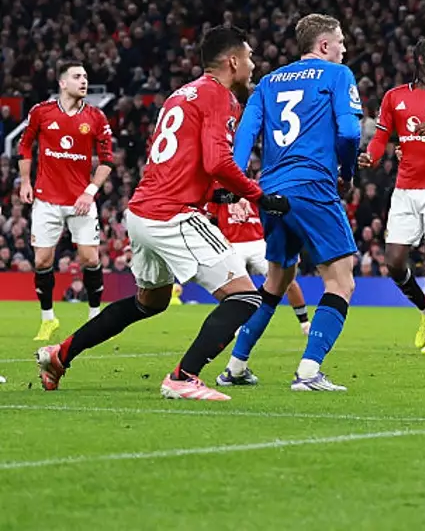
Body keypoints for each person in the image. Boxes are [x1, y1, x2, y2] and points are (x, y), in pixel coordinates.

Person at [35, 27, 289, 401]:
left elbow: (184, 159)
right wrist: (258, 194)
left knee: (148, 302)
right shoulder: (218, 95)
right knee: (245, 298)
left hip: (142, 212)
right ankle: (183, 377)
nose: (253, 65)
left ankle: (59, 355)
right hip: (173, 215)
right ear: (233, 61)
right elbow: (217, 160)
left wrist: (213, 190)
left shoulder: (182, 94)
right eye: (249, 57)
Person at [218, 13, 363, 392]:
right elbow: (349, 131)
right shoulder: (338, 75)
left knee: (277, 280)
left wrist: (239, 185)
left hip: (272, 191)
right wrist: (346, 172)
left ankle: (235, 366)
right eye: (341, 41)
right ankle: (309, 371)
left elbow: (244, 137)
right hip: (313, 185)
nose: (345, 49)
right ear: (324, 45)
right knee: (341, 280)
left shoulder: (266, 83)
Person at [359, 37, 425, 353]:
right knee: (394, 262)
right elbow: (381, 137)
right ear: (420, 59)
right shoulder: (394, 97)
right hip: (405, 188)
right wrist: (372, 156)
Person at [18, 61, 114, 340]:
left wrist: (90, 192)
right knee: (42, 261)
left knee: (89, 257)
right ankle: (48, 319)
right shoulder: (41, 112)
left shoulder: (96, 117)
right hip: (46, 200)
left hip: (80, 201)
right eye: (77, 76)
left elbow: (107, 161)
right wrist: (25, 181)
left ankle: (95, 316)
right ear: (62, 83)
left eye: (85, 76)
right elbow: (24, 146)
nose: (83, 81)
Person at [210, 89, 310, 336]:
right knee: (234, 288)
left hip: (257, 242)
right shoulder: (219, 190)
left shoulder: (257, 188)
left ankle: (305, 323)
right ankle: (234, 325)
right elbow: (211, 210)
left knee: (287, 280)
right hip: (231, 243)